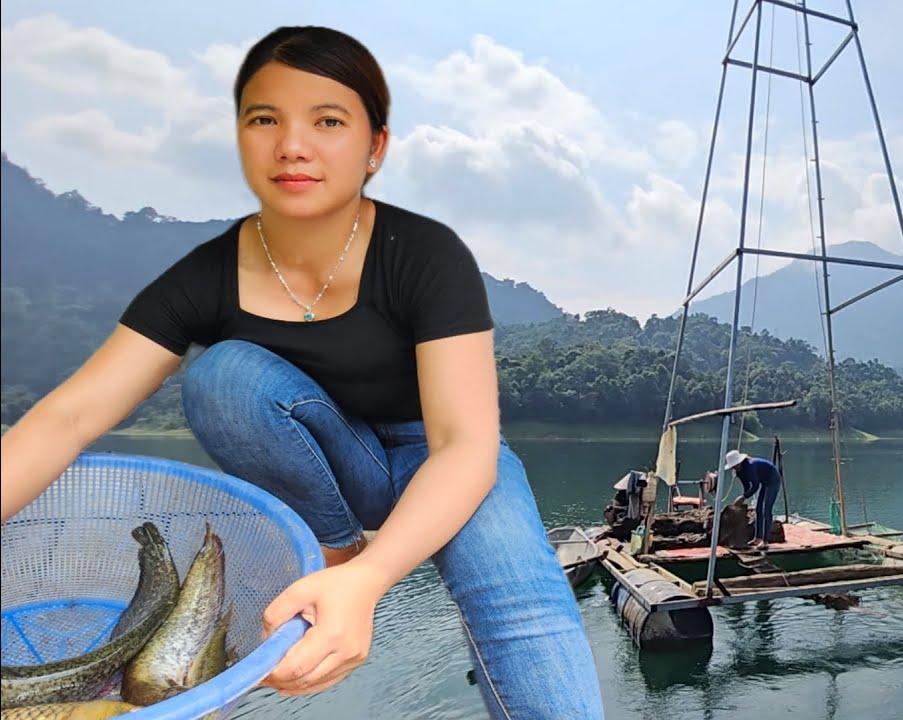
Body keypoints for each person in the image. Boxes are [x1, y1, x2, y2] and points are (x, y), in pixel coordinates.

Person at [0, 25, 604, 719]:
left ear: (375, 147)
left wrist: (371, 581)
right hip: (330, 463)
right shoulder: (206, 276)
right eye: (266, 119)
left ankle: (351, 569)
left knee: (522, 608)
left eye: (328, 121)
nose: (293, 145)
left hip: (438, 454)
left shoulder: (426, 257)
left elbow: (465, 444)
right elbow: (69, 416)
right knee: (225, 377)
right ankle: (333, 547)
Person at [723, 449, 782, 549]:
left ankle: (765, 541)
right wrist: (743, 496)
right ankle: (757, 538)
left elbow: (755, 486)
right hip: (764, 481)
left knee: (766, 509)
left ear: (739, 462)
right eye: (733, 466)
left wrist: (744, 497)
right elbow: (747, 486)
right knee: (758, 509)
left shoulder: (750, 466)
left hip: (773, 479)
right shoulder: (739, 472)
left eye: (735, 465)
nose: (734, 467)